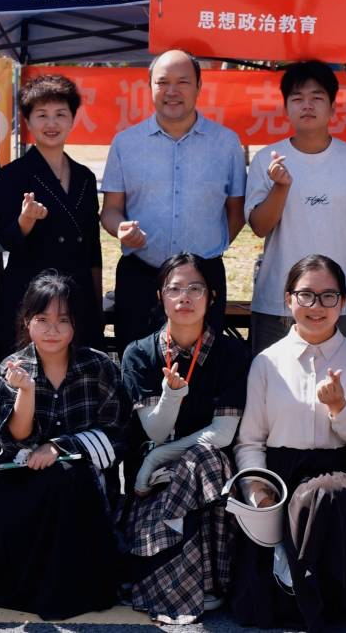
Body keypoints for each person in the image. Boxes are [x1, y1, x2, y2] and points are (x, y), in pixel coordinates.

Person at [231, 254, 346, 632]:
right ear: (288, 300)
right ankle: (291, 580)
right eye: (306, 295)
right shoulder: (267, 363)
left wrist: (340, 409)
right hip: (282, 474)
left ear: (344, 302)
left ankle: (312, 590)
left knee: (324, 495)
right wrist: (257, 488)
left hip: (342, 470)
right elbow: (250, 440)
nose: (317, 306)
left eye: (329, 296)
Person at [0, 271, 130, 619]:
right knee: (47, 485)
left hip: (82, 483)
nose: (52, 330)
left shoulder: (99, 366)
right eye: (42, 319)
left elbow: (116, 433)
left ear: (76, 324)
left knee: (66, 478)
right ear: (27, 320)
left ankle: (68, 586)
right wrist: (26, 391)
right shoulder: (12, 367)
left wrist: (59, 447)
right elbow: (15, 440)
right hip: (21, 476)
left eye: (63, 320)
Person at [119, 253, 250, 624]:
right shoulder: (139, 353)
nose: (185, 298)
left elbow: (222, 434)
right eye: (174, 289)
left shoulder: (232, 353)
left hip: (206, 479)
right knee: (197, 461)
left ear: (211, 296)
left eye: (195, 288)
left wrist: (154, 459)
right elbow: (155, 431)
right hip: (153, 487)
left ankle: (201, 579)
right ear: (160, 296)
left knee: (203, 458)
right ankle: (194, 579)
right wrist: (172, 395)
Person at [100, 49, 246, 348]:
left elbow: (236, 210)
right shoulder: (126, 143)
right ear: (150, 86)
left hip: (204, 279)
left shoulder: (225, 143)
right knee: (137, 364)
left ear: (199, 86)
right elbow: (110, 210)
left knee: (203, 366)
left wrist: (209, 248)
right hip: (141, 276)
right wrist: (120, 229)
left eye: (183, 82)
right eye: (163, 82)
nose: (172, 91)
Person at [245, 62, 346, 352]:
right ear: (286, 108)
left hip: (336, 303)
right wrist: (280, 187)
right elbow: (259, 227)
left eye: (317, 97)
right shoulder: (266, 160)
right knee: (269, 378)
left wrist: (342, 266)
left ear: (333, 107)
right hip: (277, 301)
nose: (307, 105)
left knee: (338, 378)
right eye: (297, 98)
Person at [0, 73, 102, 355]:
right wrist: (26, 220)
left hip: (76, 293)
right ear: (28, 122)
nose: (51, 124)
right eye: (42, 115)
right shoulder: (12, 175)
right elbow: (5, 239)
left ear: (73, 119)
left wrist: (97, 303)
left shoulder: (85, 177)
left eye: (60, 114)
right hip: (31, 294)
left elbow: (93, 247)